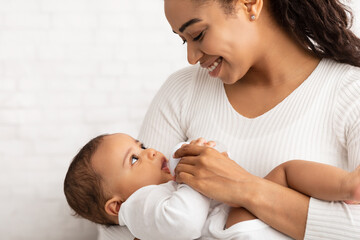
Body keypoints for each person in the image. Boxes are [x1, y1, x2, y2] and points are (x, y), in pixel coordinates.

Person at [99, 0, 360, 239]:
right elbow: (120, 222)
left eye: (198, 34)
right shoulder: (181, 92)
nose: (191, 57)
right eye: (183, 40)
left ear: (249, 4)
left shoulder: (351, 93)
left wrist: (245, 189)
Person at [65, 133, 360, 239]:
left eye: (141, 145)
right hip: (231, 230)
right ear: (115, 205)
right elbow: (185, 222)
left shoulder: (158, 191)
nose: (152, 152)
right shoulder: (137, 208)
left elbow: (226, 178)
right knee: (285, 173)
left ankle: (349, 185)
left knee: (285, 171)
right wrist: (195, 181)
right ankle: (347, 186)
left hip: (236, 220)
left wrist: (212, 159)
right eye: (134, 159)